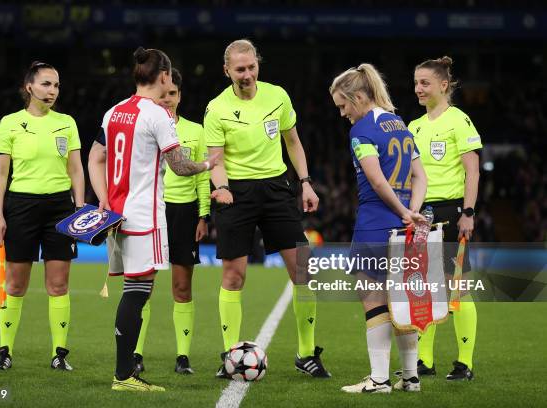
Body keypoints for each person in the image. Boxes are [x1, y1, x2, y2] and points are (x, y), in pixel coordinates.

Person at [88, 47, 218, 392]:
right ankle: (123, 375)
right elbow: (179, 166)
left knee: (134, 290)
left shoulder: (114, 111)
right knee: (136, 292)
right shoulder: (157, 114)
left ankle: (125, 372)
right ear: (163, 77)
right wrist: (209, 164)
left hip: (116, 215)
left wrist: (103, 198)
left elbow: (94, 158)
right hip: (143, 215)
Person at [204, 39, 330, 378]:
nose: (246, 75)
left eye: (251, 67)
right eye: (239, 69)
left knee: (302, 271)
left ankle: (306, 354)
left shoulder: (278, 96)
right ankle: (230, 357)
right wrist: (222, 188)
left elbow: (292, 141)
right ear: (227, 70)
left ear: (258, 65)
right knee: (234, 276)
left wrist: (305, 182)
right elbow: (215, 159)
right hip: (237, 193)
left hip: (277, 188)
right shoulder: (216, 108)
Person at [329, 63, 427, 393]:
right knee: (402, 301)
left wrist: (401, 210)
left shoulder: (362, 131)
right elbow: (420, 177)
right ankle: (410, 378)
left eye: (343, 106)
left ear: (357, 97)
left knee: (374, 300)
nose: (342, 114)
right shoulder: (398, 123)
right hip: (405, 225)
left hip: (376, 222)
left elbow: (375, 179)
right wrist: (412, 211)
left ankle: (379, 379)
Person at [0, 61, 85, 371]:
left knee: (58, 285)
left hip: (60, 208)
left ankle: (59, 354)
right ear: (29, 87)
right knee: (15, 285)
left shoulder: (67, 123)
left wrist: (80, 208)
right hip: (21, 207)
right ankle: (5, 352)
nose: (52, 91)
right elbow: (0, 173)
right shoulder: (9, 124)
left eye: (56, 85)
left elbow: (75, 169)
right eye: (46, 84)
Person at [132, 68, 210, 375]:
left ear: (180, 95)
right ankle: (136, 354)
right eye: (163, 95)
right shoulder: (144, 126)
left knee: (181, 287)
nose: (168, 100)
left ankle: (182, 357)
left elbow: (203, 178)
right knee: (143, 287)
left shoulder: (195, 131)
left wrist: (203, 215)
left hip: (184, 213)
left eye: (173, 94)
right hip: (150, 210)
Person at [409, 56, 481, 381]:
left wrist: (468, 212)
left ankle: (465, 363)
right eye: (415, 83)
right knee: (424, 288)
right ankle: (424, 361)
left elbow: (473, 171)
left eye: (424, 83)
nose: (418, 89)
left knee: (457, 290)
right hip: (422, 216)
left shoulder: (459, 121)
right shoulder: (414, 127)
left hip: (452, 213)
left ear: (443, 84)